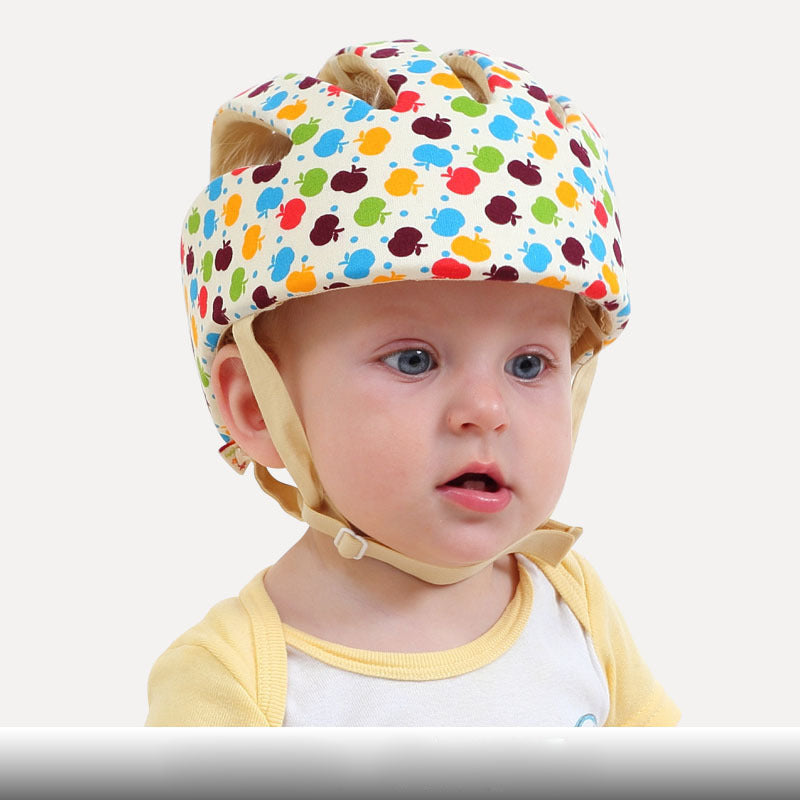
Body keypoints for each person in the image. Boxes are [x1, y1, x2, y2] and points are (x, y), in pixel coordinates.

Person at [146, 38, 680, 726]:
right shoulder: (237, 678)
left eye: (528, 364)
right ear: (257, 408)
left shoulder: (572, 606)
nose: (485, 409)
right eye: (413, 360)